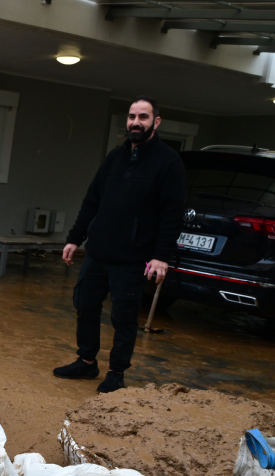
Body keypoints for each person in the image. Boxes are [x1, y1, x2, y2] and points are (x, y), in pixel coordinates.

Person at [55, 95, 185, 393]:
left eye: (143, 117)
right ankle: (87, 362)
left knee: (123, 317)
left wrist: (161, 256)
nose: (135, 122)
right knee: (85, 305)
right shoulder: (115, 157)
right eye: (131, 117)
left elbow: (172, 214)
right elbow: (92, 200)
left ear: (156, 122)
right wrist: (75, 238)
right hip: (98, 252)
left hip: (133, 257)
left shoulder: (168, 162)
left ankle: (116, 372)